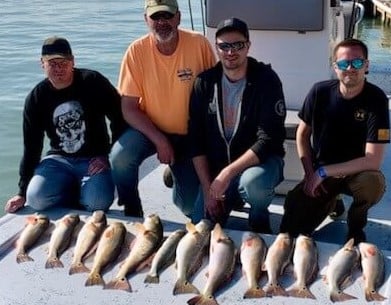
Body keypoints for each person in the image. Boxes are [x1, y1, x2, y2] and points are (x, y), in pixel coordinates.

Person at [109, 0, 215, 217]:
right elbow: (128, 108)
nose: (162, 22)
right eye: (155, 17)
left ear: (178, 17)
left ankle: (176, 173)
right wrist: (160, 140)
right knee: (120, 156)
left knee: (187, 207)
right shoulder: (135, 51)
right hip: (150, 131)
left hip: (190, 136)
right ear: (146, 19)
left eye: (167, 16)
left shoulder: (199, 44)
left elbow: (215, 94)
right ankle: (132, 208)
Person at [279, 38, 390, 244]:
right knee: (290, 228)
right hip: (323, 172)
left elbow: (373, 160)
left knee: (373, 182)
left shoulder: (377, 99)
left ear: (367, 65)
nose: (350, 68)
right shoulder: (319, 92)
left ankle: (356, 225)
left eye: (357, 62)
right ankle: (332, 200)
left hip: (356, 173)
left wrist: (322, 172)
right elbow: (302, 134)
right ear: (335, 67)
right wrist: (310, 172)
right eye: (343, 63)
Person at [5, 36, 127, 214]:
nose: (58, 68)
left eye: (63, 62)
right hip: (58, 160)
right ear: (42, 64)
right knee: (36, 199)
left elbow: (120, 118)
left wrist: (107, 155)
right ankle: (73, 188)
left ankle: (87, 188)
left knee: (97, 204)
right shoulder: (37, 98)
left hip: (93, 159)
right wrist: (22, 192)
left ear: (73, 61)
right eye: (52, 63)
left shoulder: (92, 81)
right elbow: (32, 146)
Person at [187, 18, 286, 233]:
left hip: (259, 165)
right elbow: (196, 140)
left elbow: (268, 140)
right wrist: (207, 188)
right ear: (217, 48)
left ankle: (259, 217)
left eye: (238, 45)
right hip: (218, 168)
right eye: (224, 46)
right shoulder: (204, 83)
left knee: (253, 185)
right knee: (199, 226)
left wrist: (226, 175)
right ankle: (224, 201)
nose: (231, 52)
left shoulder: (266, 80)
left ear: (248, 46)